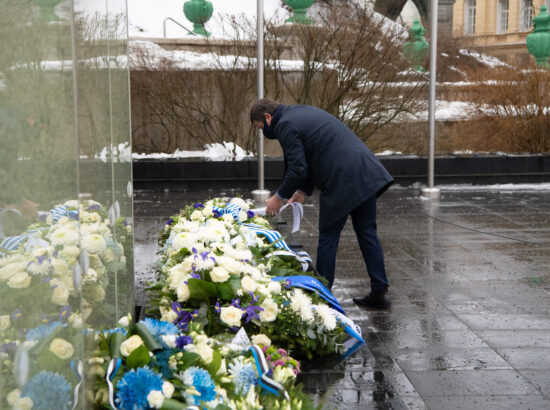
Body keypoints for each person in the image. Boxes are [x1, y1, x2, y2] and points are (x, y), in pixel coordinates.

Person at [250, 98, 394, 308]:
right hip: (364, 169)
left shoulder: (284, 125)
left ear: (268, 117)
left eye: (261, 127)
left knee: (328, 235)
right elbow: (310, 154)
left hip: (342, 177)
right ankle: (380, 291)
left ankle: (322, 294)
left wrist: (279, 197)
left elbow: (298, 168)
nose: (264, 132)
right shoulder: (298, 112)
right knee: (367, 231)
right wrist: (301, 191)